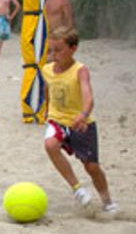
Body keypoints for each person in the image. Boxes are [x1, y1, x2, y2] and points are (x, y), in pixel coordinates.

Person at [41, 28, 117, 213]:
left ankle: (107, 201)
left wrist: (83, 115)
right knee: (50, 145)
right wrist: (47, 107)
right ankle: (78, 190)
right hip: (56, 120)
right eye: (51, 50)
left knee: (91, 167)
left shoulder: (80, 70)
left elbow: (88, 96)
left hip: (81, 123)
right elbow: (48, 88)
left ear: (73, 48)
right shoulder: (47, 69)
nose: (53, 55)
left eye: (58, 50)